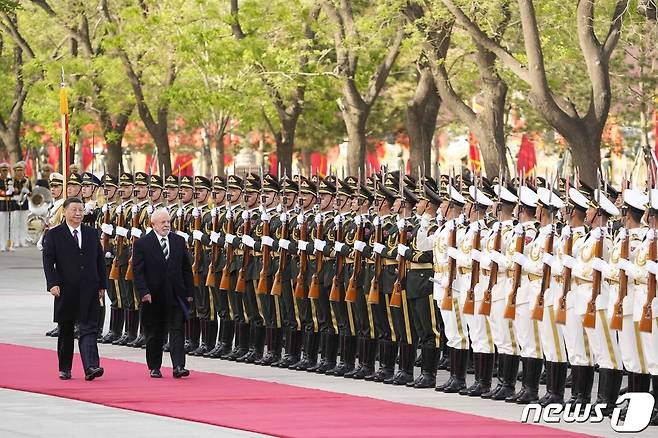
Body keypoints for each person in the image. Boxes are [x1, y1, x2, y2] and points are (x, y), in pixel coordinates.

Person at [42, 197, 106, 381]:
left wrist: (102, 284)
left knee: (89, 328)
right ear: (64, 211)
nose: (78, 214)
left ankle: (91, 366)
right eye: (74, 210)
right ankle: (65, 367)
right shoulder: (54, 234)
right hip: (65, 289)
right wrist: (52, 283)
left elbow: (99, 261)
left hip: (89, 288)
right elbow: (48, 261)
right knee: (66, 329)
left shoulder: (92, 234)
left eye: (81, 210)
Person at [132, 208, 193, 378]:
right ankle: (154, 366)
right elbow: (138, 271)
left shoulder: (178, 241)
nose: (167, 225)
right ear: (153, 225)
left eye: (168, 222)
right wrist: (144, 292)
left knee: (177, 330)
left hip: (175, 294)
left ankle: (178, 366)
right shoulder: (142, 243)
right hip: (153, 295)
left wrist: (189, 292)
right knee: (154, 333)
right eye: (163, 222)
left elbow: (186, 269)